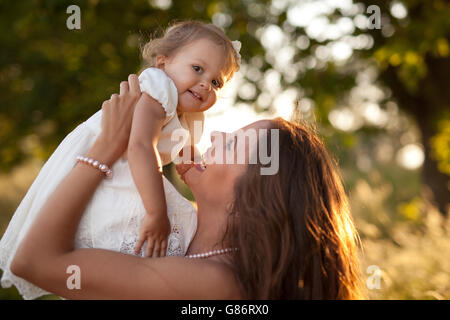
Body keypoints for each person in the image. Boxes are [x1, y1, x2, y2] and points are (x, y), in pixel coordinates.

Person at [9, 74, 363, 299]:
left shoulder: (218, 283)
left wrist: (104, 148)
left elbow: (33, 261)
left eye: (231, 145)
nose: (218, 134)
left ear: (247, 202)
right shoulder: (180, 229)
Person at [0, 21, 241, 299]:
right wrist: (156, 213)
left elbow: (187, 151)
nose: (205, 84)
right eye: (197, 69)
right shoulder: (157, 88)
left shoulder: (185, 112)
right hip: (105, 158)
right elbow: (140, 147)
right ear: (163, 63)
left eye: (216, 82)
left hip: (115, 166)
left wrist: (197, 162)